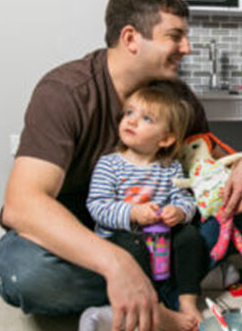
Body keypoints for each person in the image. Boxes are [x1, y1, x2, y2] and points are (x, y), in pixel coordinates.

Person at [0, 0, 242, 331]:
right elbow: (22, 205)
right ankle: (170, 291)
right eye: (175, 36)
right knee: (22, 273)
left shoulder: (176, 98)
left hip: (159, 229)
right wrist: (114, 261)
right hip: (83, 231)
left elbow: (207, 161)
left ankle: (145, 290)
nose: (187, 48)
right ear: (131, 38)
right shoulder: (65, 93)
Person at [86, 83, 203, 330]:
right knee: (132, 244)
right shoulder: (109, 165)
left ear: (166, 138)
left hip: (162, 243)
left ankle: (188, 300)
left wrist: (179, 212)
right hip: (122, 239)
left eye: (146, 118)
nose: (132, 121)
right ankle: (156, 310)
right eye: (129, 113)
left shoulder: (170, 167)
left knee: (190, 235)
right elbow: (97, 205)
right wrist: (132, 213)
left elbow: (185, 198)